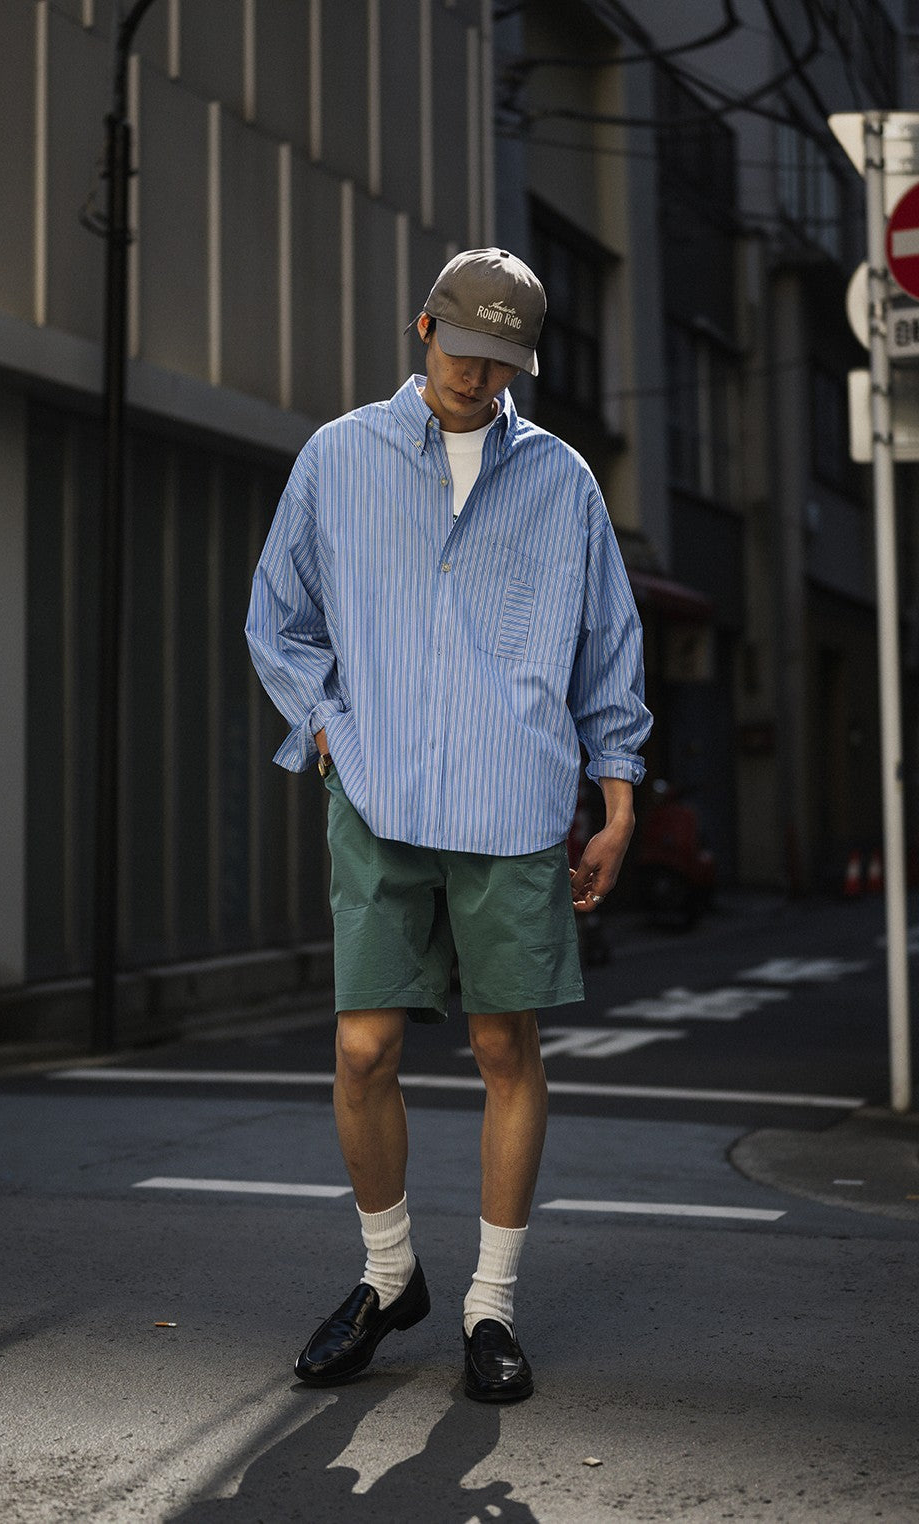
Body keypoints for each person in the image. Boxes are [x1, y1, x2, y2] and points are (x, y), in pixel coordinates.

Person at [246, 248, 652, 1402]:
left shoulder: (562, 480)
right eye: (465, 350)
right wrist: (324, 722)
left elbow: (607, 649)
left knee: (500, 1050)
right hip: (376, 794)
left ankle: (491, 1305)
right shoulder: (338, 459)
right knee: (363, 1048)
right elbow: (279, 616)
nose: (480, 377)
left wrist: (618, 799)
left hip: (514, 801)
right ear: (421, 325)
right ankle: (388, 1278)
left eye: (503, 361)